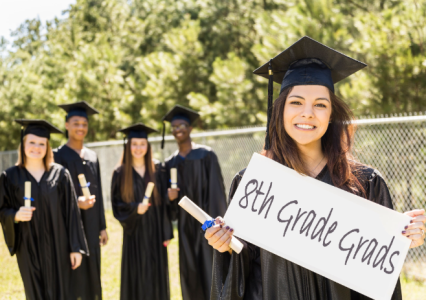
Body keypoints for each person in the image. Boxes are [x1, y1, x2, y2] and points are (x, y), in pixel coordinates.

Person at [203, 36, 426, 300]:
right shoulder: (255, 183)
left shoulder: (365, 182)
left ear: (331, 114)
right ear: (280, 110)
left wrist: (403, 238)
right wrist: (225, 246)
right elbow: (246, 265)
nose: (308, 113)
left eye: (320, 104)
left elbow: (377, 274)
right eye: (296, 102)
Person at [0, 119, 88, 300]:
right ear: (23, 144)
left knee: (62, 292)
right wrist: (15, 216)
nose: (36, 147)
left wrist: (76, 248)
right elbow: (1, 211)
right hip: (28, 246)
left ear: (47, 147)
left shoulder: (60, 174)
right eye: (32, 142)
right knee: (35, 293)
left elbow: (72, 213)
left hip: (58, 245)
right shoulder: (10, 176)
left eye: (41, 144)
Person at [161, 105, 227, 300]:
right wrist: (169, 198)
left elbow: (217, 192)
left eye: (181, 125)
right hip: (184, 227)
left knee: (210, 270)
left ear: (190, 128)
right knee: (189, 273)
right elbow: (170, 209)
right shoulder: (170, 163)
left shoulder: (206, 155)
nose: (177, 129)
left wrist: (217, 222)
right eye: (173, 126)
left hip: (207, 223)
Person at [111, 123, 173, 300]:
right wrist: (134, 209)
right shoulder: (120, 172)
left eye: (142, 144)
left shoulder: (158, 170)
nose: (138, 148)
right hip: (134, 233)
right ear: (128, 146)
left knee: (156, 274)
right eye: (134, 144)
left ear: (148, 146)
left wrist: (166, 232)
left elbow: (163, 206)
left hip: (155, 232)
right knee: (136, 274)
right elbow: (116, 205)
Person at [53, 101, 107, 300]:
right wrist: (76, 202)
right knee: (74, 272)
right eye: (76, 123)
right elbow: (54, 194)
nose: (81, 127)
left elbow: (99, 193)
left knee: (93, 269)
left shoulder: (92, 156)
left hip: (92, 223)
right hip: (69, 225)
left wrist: (102, 226)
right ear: (66, 125)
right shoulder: (57, 156)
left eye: (84, 123)